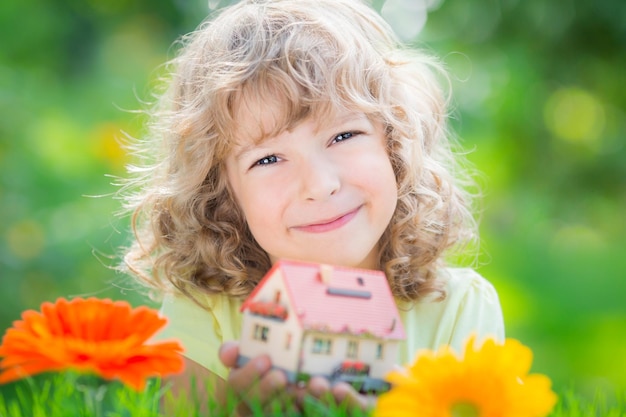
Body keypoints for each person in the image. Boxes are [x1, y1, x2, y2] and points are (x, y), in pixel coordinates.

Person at [119, 0, 504, 413]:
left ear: (393, 142)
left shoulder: (458, 307)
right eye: (267, 159)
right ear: (223, 195)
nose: (321, 185)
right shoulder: (206, 311)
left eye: (343, 136)